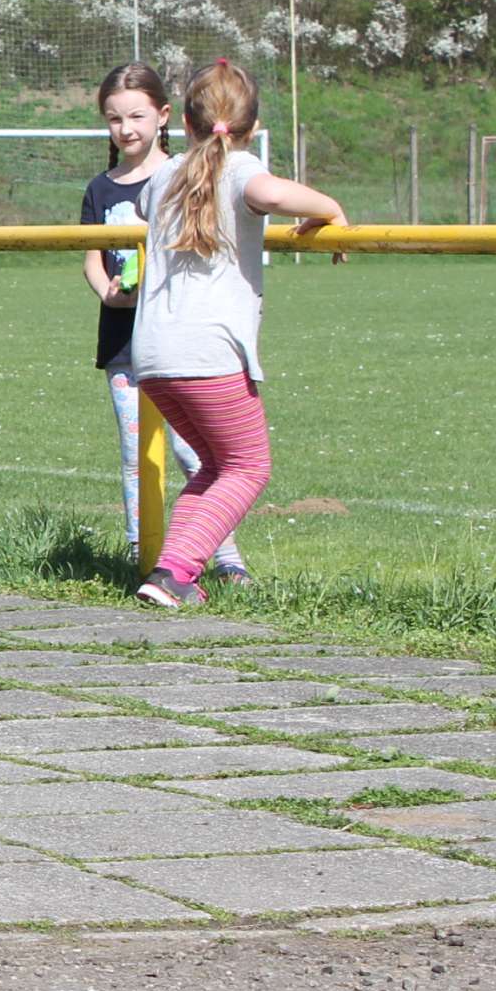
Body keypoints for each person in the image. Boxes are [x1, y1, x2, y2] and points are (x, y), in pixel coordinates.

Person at [129, 59, 347, 611]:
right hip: (208, 353)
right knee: (248, 466)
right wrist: (330, 208)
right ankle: (175, 573)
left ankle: (170, 572)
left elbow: (143, 203)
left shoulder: (164, 176)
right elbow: (272, 195)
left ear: (185, 121)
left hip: (152, 354)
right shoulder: (242, 170)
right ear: (253, 126)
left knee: (216, 466)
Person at [80, 64, 240, 580]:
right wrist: (109, 292)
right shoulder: (100, 189)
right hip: (124, 344)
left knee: (197, 454)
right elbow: (91, 258)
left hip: (178, 343)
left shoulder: (183, 176)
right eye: (114, 119)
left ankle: (224, 559)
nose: (125, 129)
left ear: (164, 116)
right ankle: (140, 551)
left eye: (136, 116)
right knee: (136, 455)